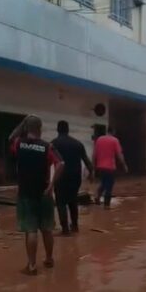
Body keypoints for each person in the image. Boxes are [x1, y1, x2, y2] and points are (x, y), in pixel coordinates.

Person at [9, 115, 62, 275]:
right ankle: (49, 259)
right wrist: (51, 185)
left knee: (31, 230)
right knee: (47, 229)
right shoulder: (48, 146)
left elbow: (11, 138)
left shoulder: (19, 143)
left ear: (26, 128)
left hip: (26, 193)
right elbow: (61, 163)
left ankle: (32, 266)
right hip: (44, 193)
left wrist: (22, 124)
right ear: (40, 129)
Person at [51, 120, 93, 235]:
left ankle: (65, 229)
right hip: (75, 177)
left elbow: (46, 161)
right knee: (73, 200)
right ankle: (75, 226)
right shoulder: (77, 144)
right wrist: (91, 173)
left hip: (61, 176)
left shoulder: (53, 144)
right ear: (68, 130)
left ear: (57, 130)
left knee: (61, 202)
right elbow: (87, 161)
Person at [93, 126, 128, 208]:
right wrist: (124, 165)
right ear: (113, 132)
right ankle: (106, 205)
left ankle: (97, 196)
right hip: (110, 167)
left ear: (107, 131)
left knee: (104, 182)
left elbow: (94, 154)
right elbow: (119, 155)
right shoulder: (115, 140)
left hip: (100, 167)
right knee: (109, 185)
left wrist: (93, 167)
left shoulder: (99, 139)